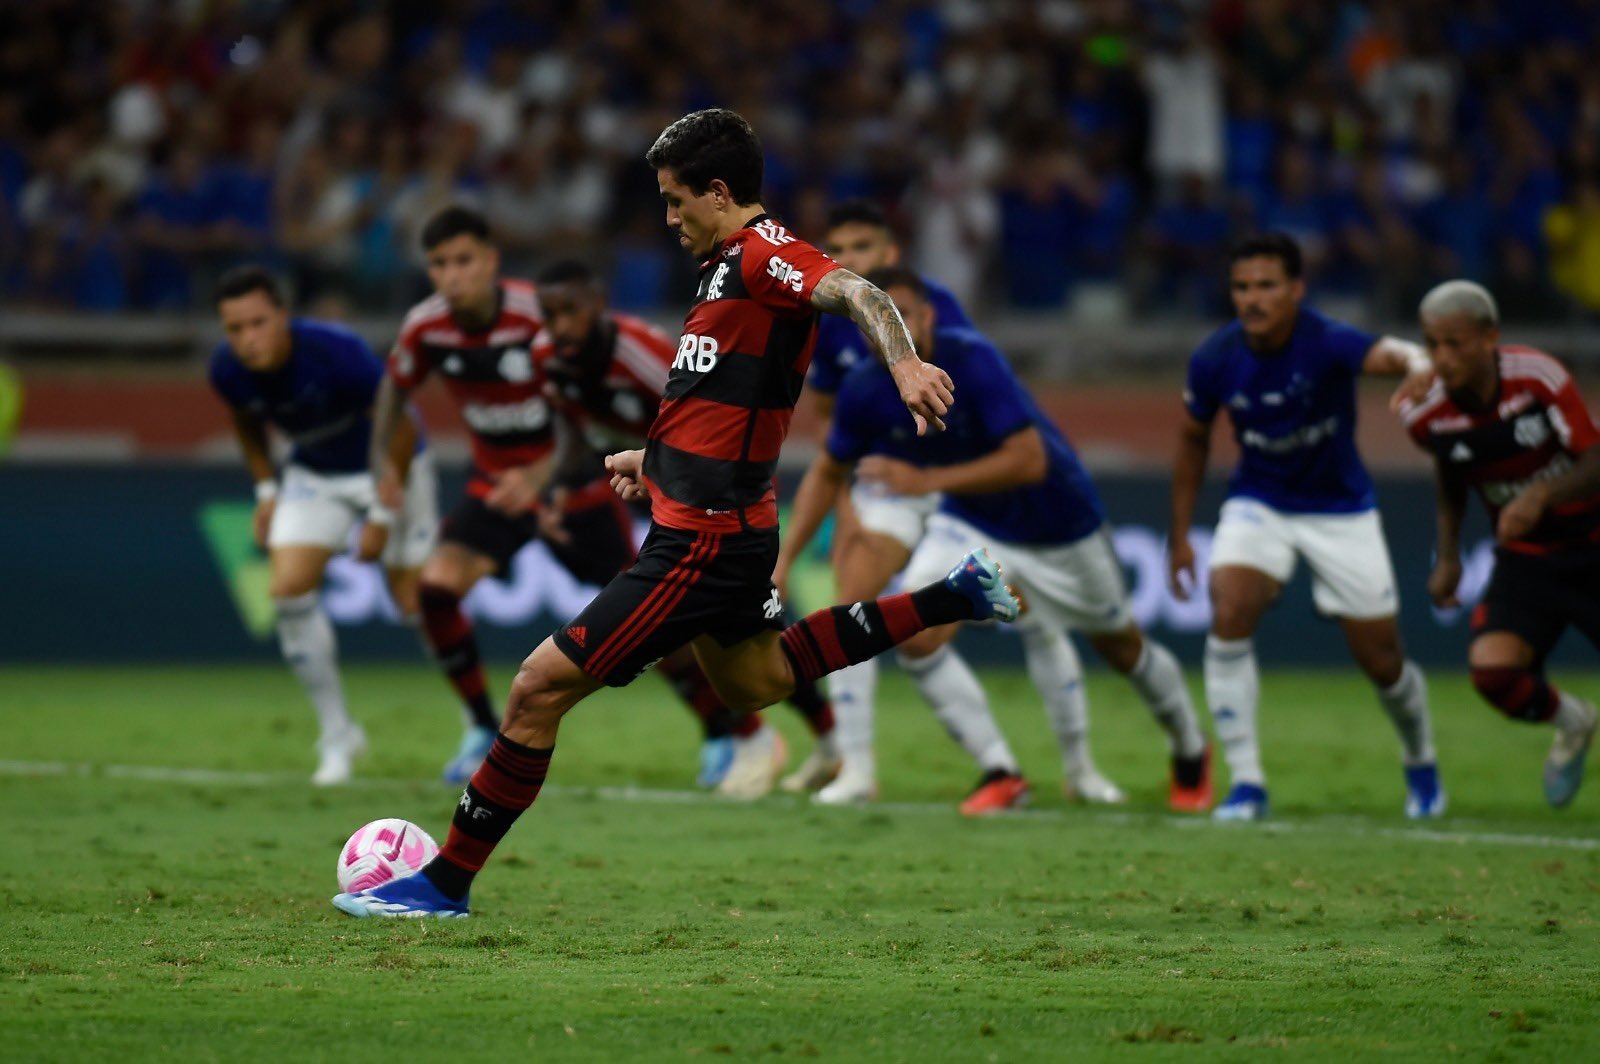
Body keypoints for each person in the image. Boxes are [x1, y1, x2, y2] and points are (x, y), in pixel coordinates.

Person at [335, 108, 1014, 918]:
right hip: (719, 524)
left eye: (674, 200)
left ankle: (443, 885)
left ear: (719, 192)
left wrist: (903, 363)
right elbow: (717, 398)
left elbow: (857, 290)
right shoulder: (724, 264)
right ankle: (955, 595)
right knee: (757, 680)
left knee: (536, 691)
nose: (667, 217)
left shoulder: (768, 254)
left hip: (705, 540)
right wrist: (649, 460)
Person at [779, 266, 1212, 814]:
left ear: (926, 317)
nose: (888, 333)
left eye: (903, 316)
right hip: (972, 522)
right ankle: (1002, 771)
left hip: (1058, 523)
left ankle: (1191, 749)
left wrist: (925, 482)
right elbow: (827, 467)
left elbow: (1030, 460)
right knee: (915, 632)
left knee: (1120, 645)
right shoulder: (865, 385)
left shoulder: (972, 359)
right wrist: (787, 557)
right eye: (876, 323)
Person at [532, 257, 838, 797]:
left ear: (598, 305)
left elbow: (710, 421)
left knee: (741, 623)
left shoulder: (643, 358)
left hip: (709, 495)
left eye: (569, 312)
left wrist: (665, 470)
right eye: (548, 315)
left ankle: (818, 740)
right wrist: (556, 486)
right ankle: (738, 735)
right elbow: (573, 427)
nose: (557, 327)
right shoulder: (547, 358)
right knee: (667, 627)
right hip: (648, 493)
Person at [1167, 233, 1443, 822]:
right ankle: (1246, 783)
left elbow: (1385, 355)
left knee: (1382, 661)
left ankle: (1420, 759)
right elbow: (1192, 443)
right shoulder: (1215, 357)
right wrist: (1180, 535)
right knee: (1229, 613)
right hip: (1258, 502)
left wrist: (1419, 361)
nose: (1252, 299)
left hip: (1340, 509)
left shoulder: (1325, 339)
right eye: (1242, 287)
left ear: (1296, 290)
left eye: (1267, 285)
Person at [365, 206, 640, 786]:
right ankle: (478, 724)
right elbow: (393, 387)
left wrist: (544, 475)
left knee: (647, 621)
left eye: (464, 260)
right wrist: (380, 470)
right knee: (435, 590)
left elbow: (585, 408)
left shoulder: (542, 316)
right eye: (439, 264)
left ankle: (728, 734)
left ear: (490, 261)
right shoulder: (426, 326)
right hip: (494, 489)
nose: (452, 275)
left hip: (574, 487)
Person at [777, 199, 978, 802]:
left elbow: (975, 409)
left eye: (863, 248)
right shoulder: (832, 321)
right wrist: (845, 513)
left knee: (1044, 624)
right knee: (851, 603)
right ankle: (854, 766)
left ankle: (1050, 768)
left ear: (891, 254)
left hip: (953, 489)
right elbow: (831, 433)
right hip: (884, 491)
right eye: (840, 251)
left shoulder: (931, 308)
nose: (851, 262)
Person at [208, 265, 437, 785]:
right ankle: (337, 736)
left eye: (258, 323)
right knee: (288, 591)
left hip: (391, 463)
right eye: (235, 328)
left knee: (414, 604)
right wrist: (266, 490)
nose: (247, 339)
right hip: (316, 470)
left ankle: (478, 721)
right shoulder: (227, 369)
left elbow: (399, 424)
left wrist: (380, 513)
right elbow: (247, 421)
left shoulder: (338, 352)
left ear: (283, 316)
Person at [1402, 280, 1599, 807]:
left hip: (1594, 540)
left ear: (1491, 338)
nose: (1442, 359)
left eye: (1455, 343)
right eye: (1431, 344)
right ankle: (1575, 721)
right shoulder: (1423, 415)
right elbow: (1451, 474)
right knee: (1493, 673)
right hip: (1529, 558)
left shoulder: (1537, 377)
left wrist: (1542, 494)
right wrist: (1446, 556)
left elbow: (1595, 459)